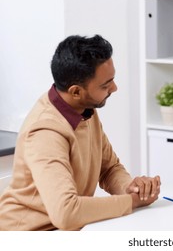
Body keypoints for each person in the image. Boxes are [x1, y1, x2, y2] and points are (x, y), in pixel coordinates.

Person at [0, 35, 160, 230]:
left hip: (68, 230)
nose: (115, 88)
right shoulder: (45, 131)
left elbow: (109, 168)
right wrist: (132, 202)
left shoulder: (85, 110)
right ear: (76, 92)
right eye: (105, 85)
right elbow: (66, 212)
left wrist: (132, 188)